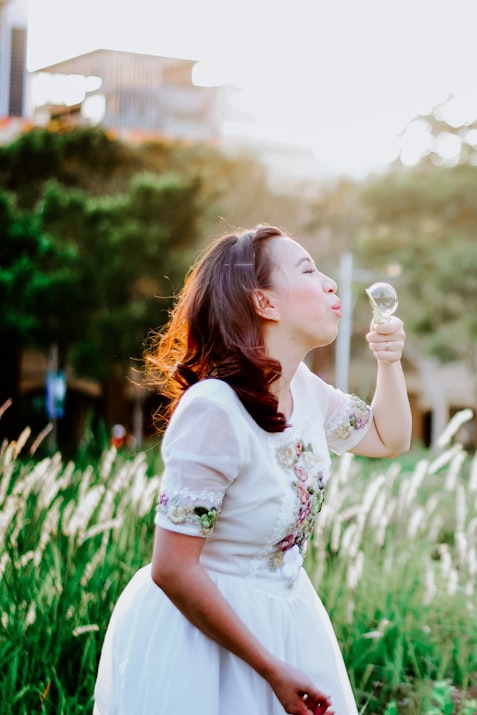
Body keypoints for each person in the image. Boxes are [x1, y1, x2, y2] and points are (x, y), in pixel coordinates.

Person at [94, 225, 412, 715]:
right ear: (264, 303)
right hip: (204, 639)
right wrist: (269, 667)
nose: (330, 284)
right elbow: (173, 568)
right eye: (308, 270)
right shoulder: (213, 410)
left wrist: (389, 360)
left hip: (287, 615)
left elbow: (390, 439)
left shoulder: (304, 390)